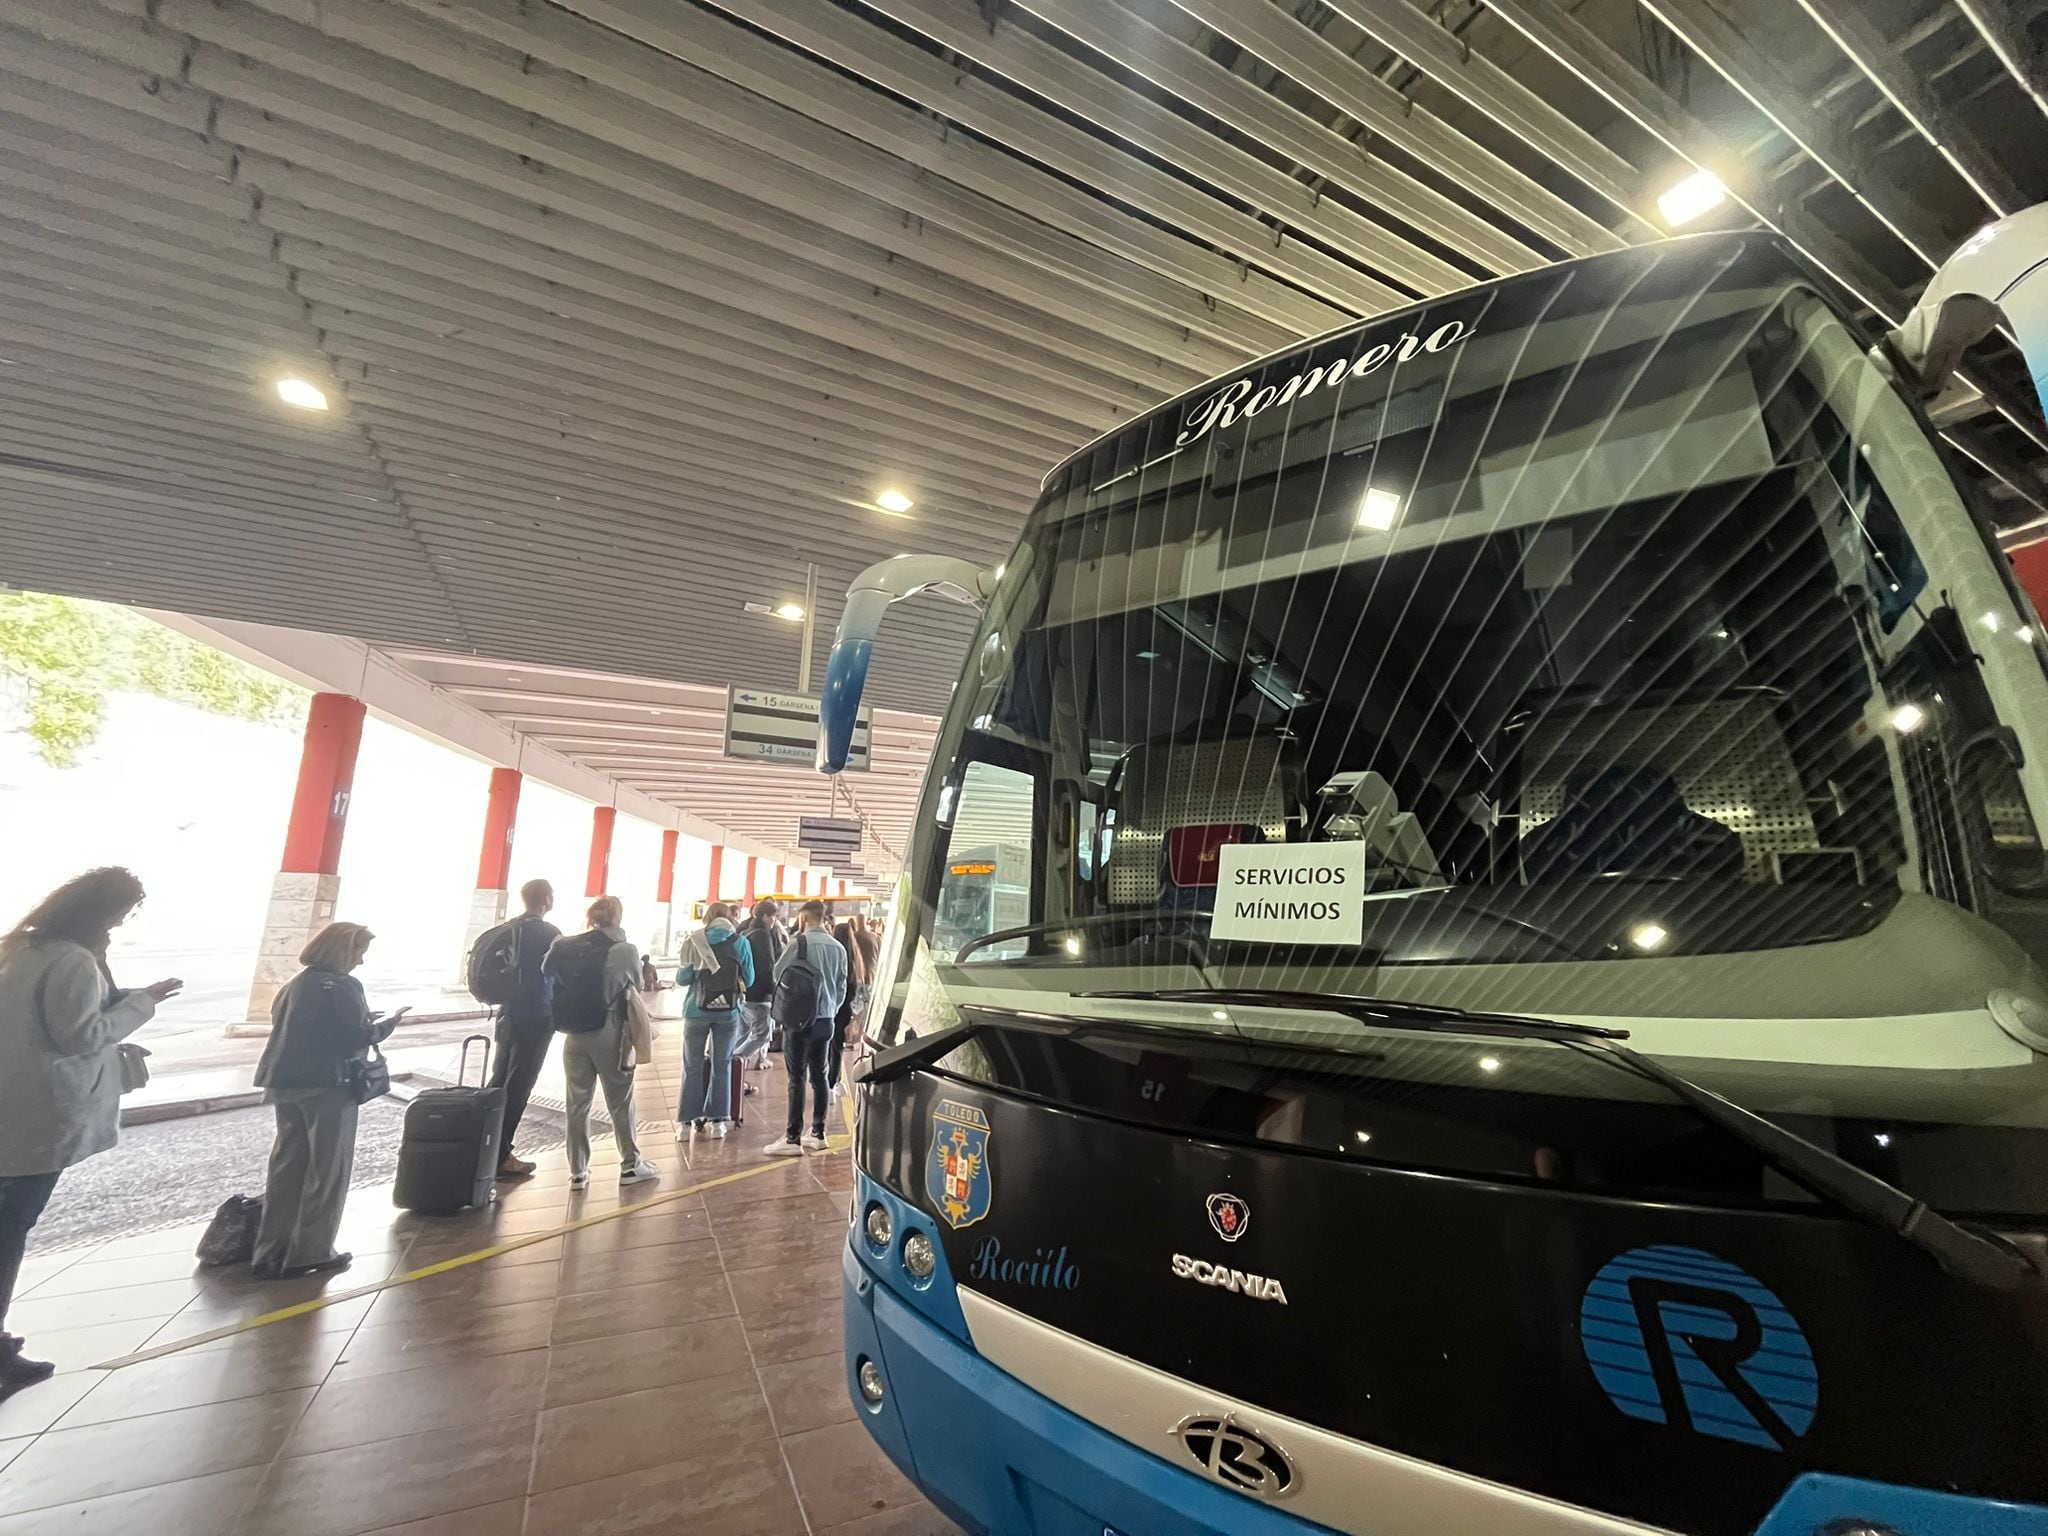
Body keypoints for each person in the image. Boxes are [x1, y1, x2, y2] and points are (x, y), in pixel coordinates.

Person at [0, 868, 179, 1389]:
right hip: (40, 1114)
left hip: (10, 1102)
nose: (118, 928)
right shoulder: (72, 960)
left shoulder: (18, 949)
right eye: (118, 919)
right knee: (11, 1229)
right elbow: (81, 1036)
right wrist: (143, 1002)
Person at [251, 922, 402, 1280]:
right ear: (343, 951)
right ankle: (311, 1250)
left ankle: (269, 1250)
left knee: (287, 1167)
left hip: (284, 1081)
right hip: (328, 1084)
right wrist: (388, 1024)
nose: (360, 962)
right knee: (327, 1170)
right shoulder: (346, 986)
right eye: (359, 952)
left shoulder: (295, 985)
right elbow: (357, 1036)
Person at [545, 895, 658, 1189]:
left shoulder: (564, 945)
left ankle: (578, 1171)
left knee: (577, 1102)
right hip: (607, 1028)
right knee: (620, 1100)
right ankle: (630, 1163)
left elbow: (546, 970)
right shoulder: (624, 950)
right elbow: (637, 984)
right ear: (618, 918)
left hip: (573, 1032)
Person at [488, 879, 559, 1181]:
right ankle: (501, 1155)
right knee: (519, 1085)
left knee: (499, 1079)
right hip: (536, 1014)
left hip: (508, 1013)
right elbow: (560, 972)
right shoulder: (548, 933)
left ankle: (485, 1146)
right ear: (544, 899)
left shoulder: (510, 929)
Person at [767, 901, 847, 1157]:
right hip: (826, 1020)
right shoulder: (838, 948)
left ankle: (792, 1137)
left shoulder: (798, 944)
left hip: (799, 1020)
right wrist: (830, 1008)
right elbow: (842, 986)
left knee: (797, 1077)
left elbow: (777, 974)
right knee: (820, 1076)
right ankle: (818, 1133)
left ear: (804, 918)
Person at [673, 902, 754, 1138]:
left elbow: (683, 978)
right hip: (728, 1012)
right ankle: (718, 1122)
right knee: (722, 1064)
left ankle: (686, 1125)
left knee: (692, 1066)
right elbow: (749, 978)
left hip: (696, 1011)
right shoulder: (741, 943)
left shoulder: (694, 940)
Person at [735, 899, 784, 1080]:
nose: (774, 921)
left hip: (745, 992)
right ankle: (734, 1063)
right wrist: (774, 992)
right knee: (762, 1035)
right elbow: (767, 967)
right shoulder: (763, 935)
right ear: (765, 917)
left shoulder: (747, 931)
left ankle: (735, 1077)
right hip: (760, 994)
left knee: (743, 1033)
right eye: (773, 916)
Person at [826, 912, 870, 1095]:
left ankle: (827, 1082)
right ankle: (834, 1082)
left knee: (826, 1045)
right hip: (845, 1009)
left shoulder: (833, 954)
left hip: (829, 1005)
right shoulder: (855, 958)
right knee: (837, 1047)